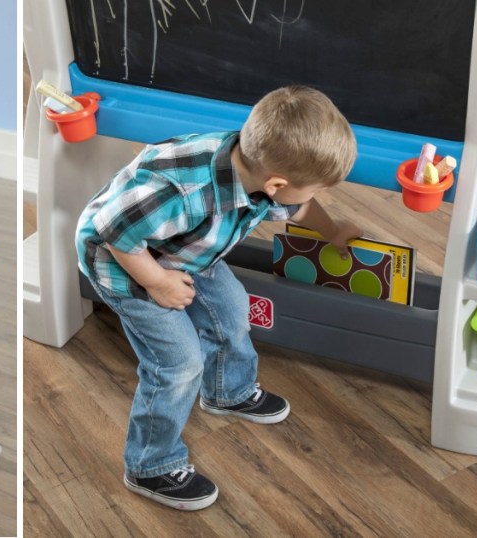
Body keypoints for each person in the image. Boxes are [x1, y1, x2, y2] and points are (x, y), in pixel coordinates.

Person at [74, 85, 360, 510]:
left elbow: (298, 207)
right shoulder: (182, 190)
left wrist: (332, 230)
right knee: (178, 363)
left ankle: (227, 390)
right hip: (125, 262)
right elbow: (114, 231)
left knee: (233, 311)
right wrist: (157, 282)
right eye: (311, 189)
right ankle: (149, 465)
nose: (311, 197)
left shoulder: (259, 170)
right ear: (277, 183)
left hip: (189, 246)